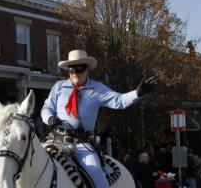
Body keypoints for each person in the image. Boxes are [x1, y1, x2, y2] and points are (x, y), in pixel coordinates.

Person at [41, 49, 157, 188]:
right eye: (72, 70)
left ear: (87, 70)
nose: (75, 74)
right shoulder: (59, 87)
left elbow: (119, 100)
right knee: (30, 160)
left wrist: (137, 93)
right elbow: (46, 107)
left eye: (79, 69)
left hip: (81, 144)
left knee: (96, 174)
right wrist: (49, 118)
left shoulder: (97, 89)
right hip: (56, 140)